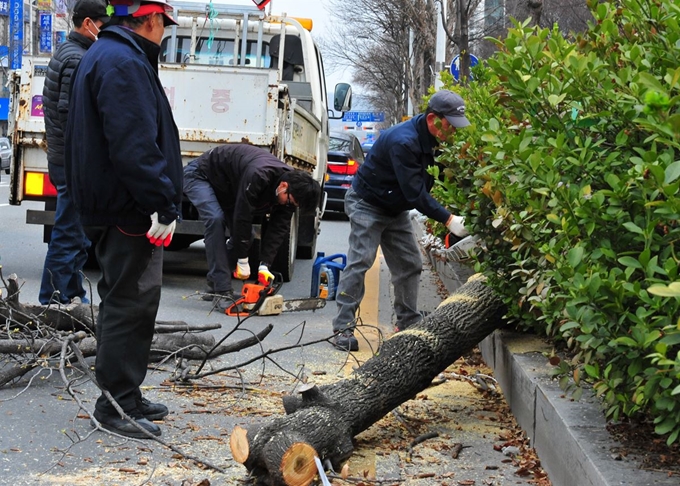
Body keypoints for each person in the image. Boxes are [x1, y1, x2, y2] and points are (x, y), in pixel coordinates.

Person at [64, 0, 182, 439]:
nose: (164, 33)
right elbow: (132, 143)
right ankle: (115, 404)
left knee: (128, 300)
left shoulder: (110, 54)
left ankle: (126, 395)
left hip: (117, 202)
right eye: (163, 25)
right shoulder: (122, 61)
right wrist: (162, 201)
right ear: (150, 19)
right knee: (129, 303)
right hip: (127, 206)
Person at [331, 90, 471, 351]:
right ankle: (342, 327)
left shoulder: (437, 140)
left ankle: (408, 321)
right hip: (367, 203)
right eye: (450, 126)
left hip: (394, 208)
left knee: (410, 263)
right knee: (361, 260)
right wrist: (449, 219)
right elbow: (415, 193)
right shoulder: (403, 142)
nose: (454, 132)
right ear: (433, 119)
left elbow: (443, 177)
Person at [183, 144, 321, 310]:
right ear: (283, 186)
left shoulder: (291, 192)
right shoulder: (259, 174)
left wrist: (264, 264)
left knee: (247, 235)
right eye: (289, 200)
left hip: (227, 188)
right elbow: (243, 215)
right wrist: (242, 260)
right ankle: (221, 291)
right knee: (215, 220)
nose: (288, 204)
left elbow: (278, 229)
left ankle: (215, 283)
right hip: (200, 175)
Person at [38, 0, 110, 305]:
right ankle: (51, 299)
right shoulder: (77, 58)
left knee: (77, 233)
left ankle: (71, 293)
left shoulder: (69, 51)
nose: (104, 31)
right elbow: (70, 113)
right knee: (68, 233)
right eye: (102, 25)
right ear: (88, 24)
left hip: (63, 157)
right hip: (70, 160)